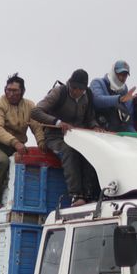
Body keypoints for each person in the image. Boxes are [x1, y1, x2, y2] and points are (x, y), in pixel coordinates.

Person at [32, 69, 101, 206]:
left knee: (91, 152)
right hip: (55, 136)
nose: (75, 91)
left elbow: (90, 118)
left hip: (77, 136)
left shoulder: (88, 95)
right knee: (68, 151)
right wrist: (57, 122)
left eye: (80, 88)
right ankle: (76, 195)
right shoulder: (59, 92)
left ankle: (89, 194)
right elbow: (35, 111)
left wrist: (95, 126)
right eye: (73, 87)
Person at [0, 74, 46, 210]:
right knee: (1, 161)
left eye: (14, 91)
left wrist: (41, 142)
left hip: (16, 145)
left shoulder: (29, 105)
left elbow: (36, 126)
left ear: (22, 91)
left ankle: (28, 197)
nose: (10, 93)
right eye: (8, 90)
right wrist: (15, 142)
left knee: (33, 159)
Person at [90, 60, 136, 132]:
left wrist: (136, 135)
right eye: (120, 74)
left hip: (115, 136)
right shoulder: (98, 82)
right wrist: (119, 99)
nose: (123, 77)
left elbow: (128, 120)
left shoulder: (125, 91)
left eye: (125, 75)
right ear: (113, 72)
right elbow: (97, 100)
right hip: (98, 132)